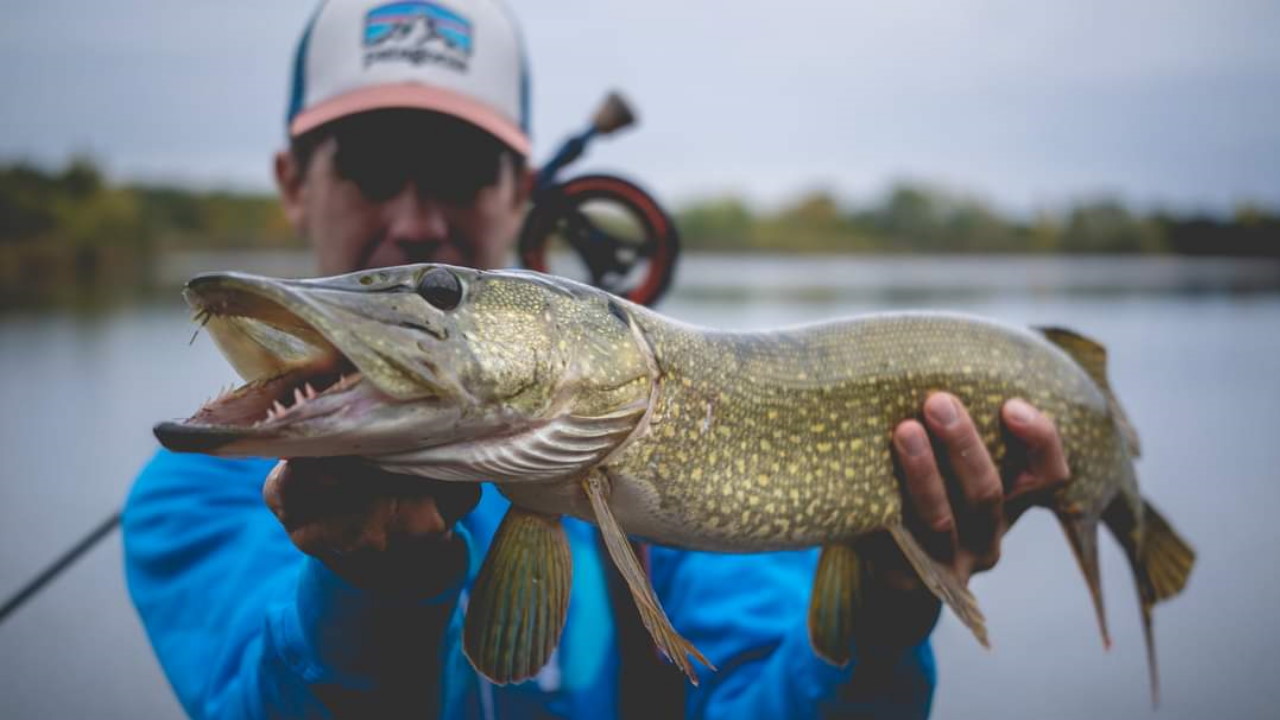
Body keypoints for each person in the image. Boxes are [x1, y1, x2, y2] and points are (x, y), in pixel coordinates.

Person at [123, 1, 1068, 718]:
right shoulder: (197, 492)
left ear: (522, 191)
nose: (414, 218)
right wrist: (371, 593)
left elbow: (760, 691)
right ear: (292, 183)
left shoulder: (656, 421)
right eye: (368, 168)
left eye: (457, 174)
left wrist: (886, 616)